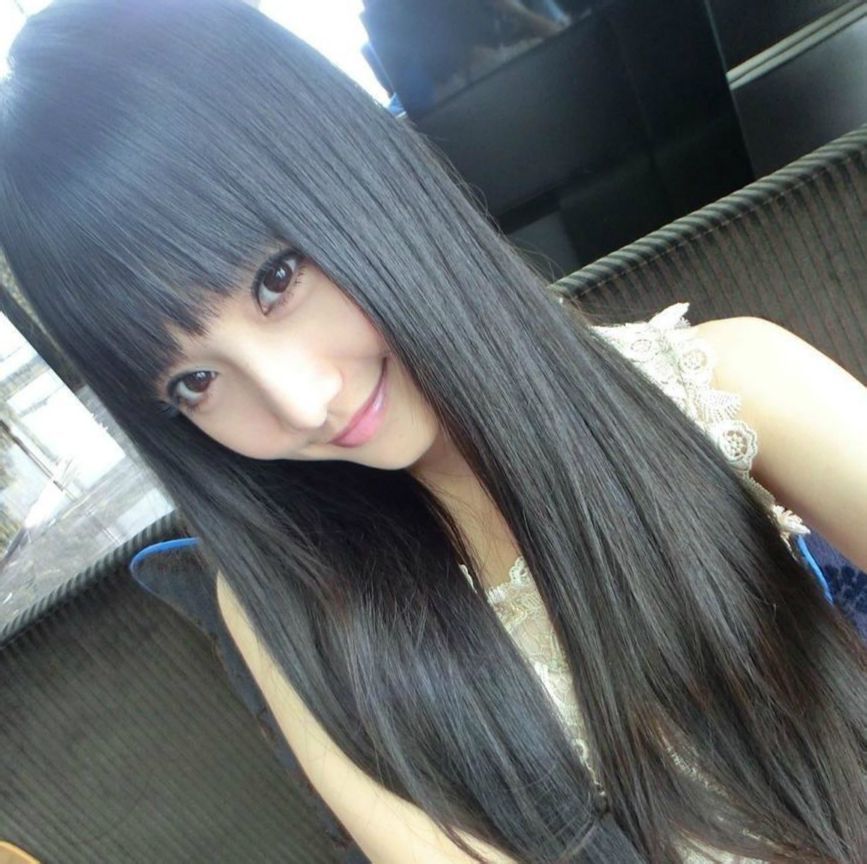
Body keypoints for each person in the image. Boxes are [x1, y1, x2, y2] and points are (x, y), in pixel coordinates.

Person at [1, 2, 865, 862]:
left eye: (276, 279)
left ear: (362, 178)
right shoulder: (292, 602)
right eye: (193, 382)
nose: (301, 404)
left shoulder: (734, 384)